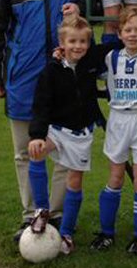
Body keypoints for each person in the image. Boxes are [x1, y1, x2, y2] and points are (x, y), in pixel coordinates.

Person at [0, 0, 86, 240]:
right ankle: (31, 216)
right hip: (23, 79)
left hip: (65, 79)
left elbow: (99, 15)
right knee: (26, 151)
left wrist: (83, 9)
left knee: (64, 153)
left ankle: (54, 217)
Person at [27, 15, 111, 254]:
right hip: (57, 129)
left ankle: (66, 233)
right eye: (72, 41)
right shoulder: (51, 71)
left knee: (74, 182)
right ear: (61, 43)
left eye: (83, 42)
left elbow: (117, 43)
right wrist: (37, 135)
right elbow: (41, 105)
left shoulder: (90, 62)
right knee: (36, 152)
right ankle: (41, 210)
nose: (78, 46)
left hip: (81, 133)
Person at [90, 6, 137, 254]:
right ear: (119, 33)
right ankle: (107, 232)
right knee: (115, 176)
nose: (132, 34)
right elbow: (82, 54)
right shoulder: (111, 57)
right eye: (127, 29)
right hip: (118, 119)